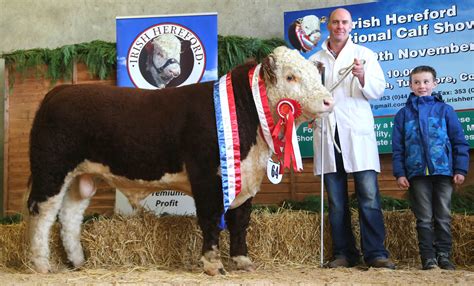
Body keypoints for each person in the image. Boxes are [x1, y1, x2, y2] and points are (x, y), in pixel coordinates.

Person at [309, 8, 395, 269]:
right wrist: (310, 113)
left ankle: (376, 254)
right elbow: (308, 97)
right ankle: (344, 254)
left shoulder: (365, 55)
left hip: (356, 134)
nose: (340, 26)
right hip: (327, 133)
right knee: (336, 202)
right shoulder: (315, 60)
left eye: (344, 22)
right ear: (329, 25)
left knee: (368, 196)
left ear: (351, 25)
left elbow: (378, 90)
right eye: (335, 22)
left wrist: (362, 76)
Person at [392, 66, 469, 270]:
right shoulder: (403, 115)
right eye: (416, 82)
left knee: (443, 216)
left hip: (444, 172)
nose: (422, 86)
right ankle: (428, 258)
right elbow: (398, 148)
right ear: (410, 85)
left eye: (426, 82)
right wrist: (400, 173)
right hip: (417, 175)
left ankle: (444, 256)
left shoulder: (445, 111)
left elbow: (459, 141)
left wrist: (460, 169)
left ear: (435, 84)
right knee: (424, 218)